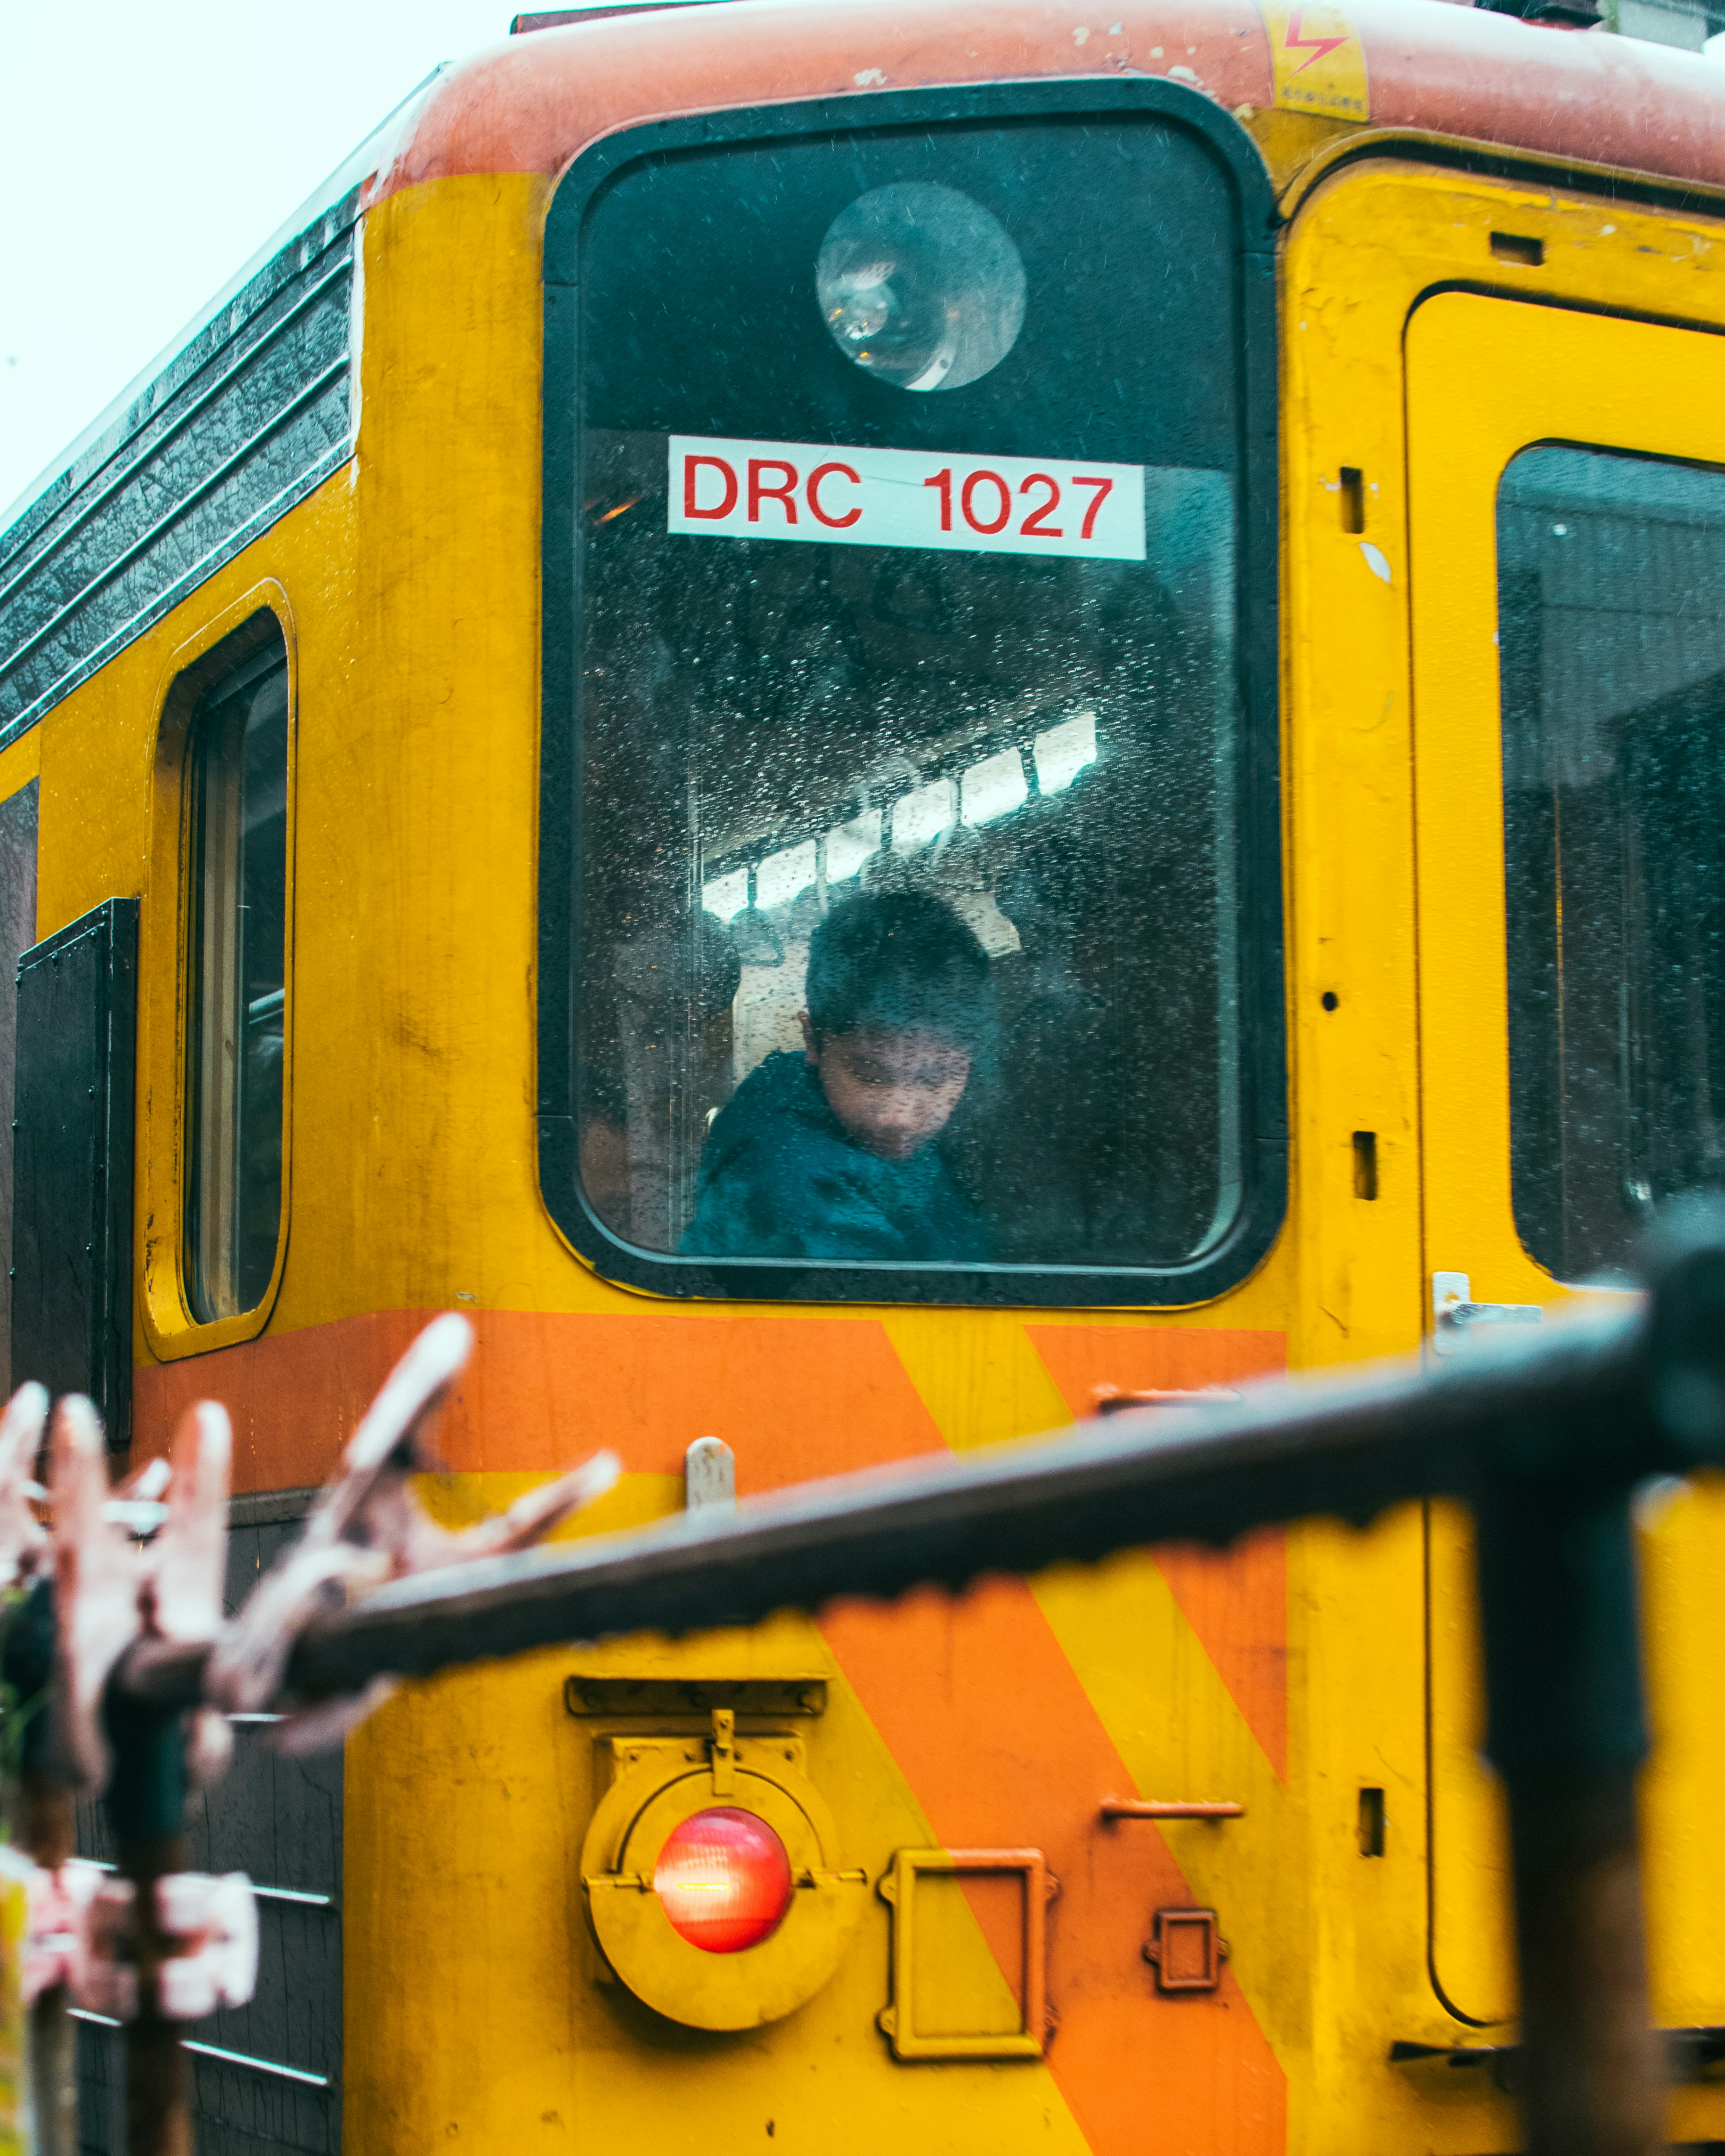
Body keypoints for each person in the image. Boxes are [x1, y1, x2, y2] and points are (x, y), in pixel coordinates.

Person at [681, 889, 990, 1262]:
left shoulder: (844, 1128)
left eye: (935, 1078)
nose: (899, 1116)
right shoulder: (788, 1174)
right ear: (813, 1040)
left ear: (971, 1060)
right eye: (869, 1075)